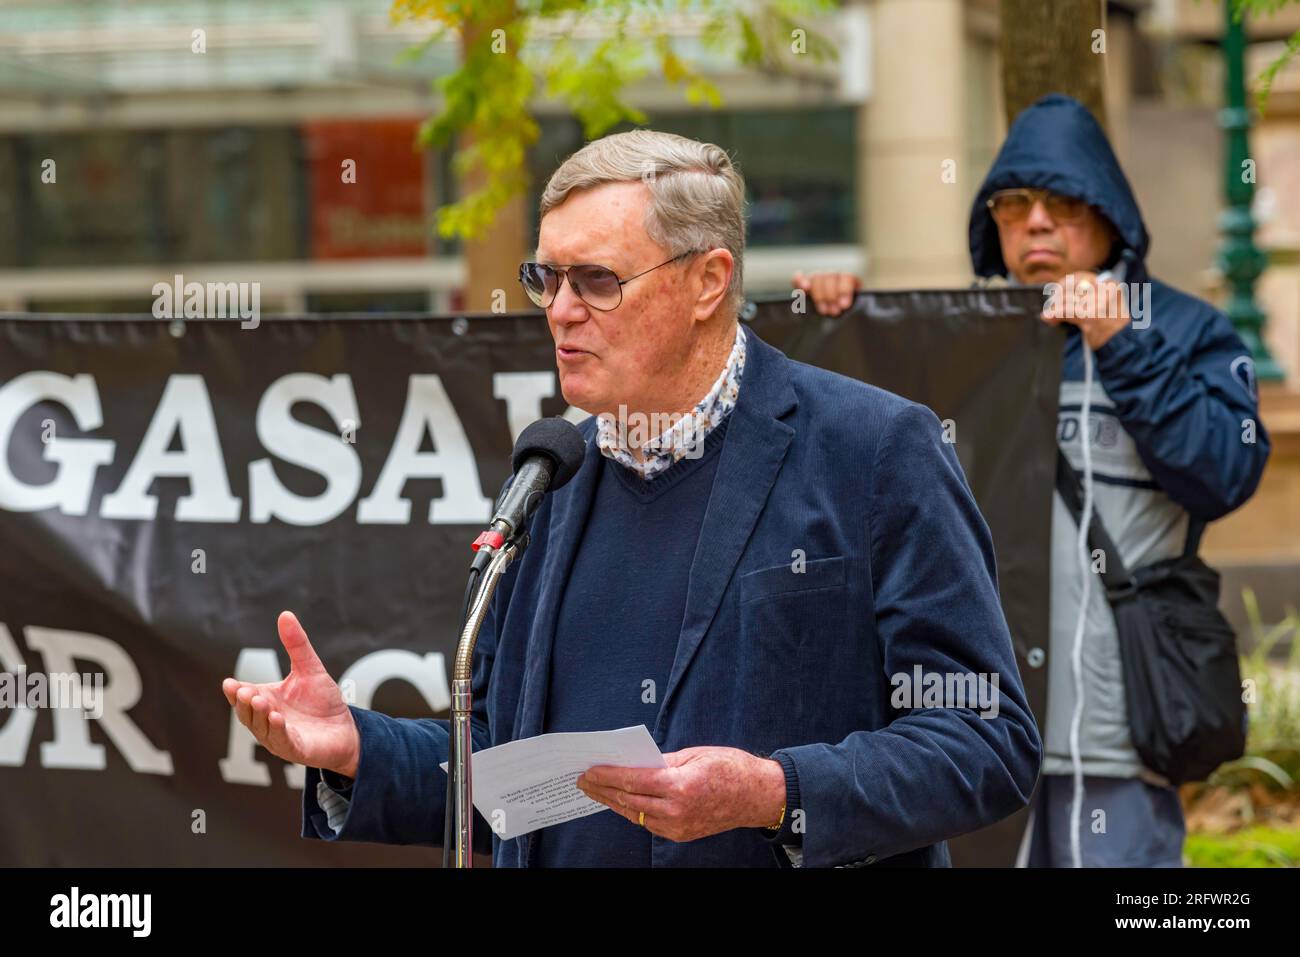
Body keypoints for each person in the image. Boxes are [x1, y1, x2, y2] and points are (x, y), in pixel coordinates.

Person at [223, 129, 1041, 868]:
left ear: (707, 282)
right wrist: (356, 748)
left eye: (597, 280)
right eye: (546, 277)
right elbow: (515, 777)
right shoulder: (549, 475)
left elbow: (985, 740)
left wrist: (775, 790)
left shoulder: (873, 450)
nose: (560, 311)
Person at [793, 94, 1270, 867]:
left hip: (1111, 733)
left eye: (1062, 204)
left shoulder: (1184, 329)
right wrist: (829, 325)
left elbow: (1225, 470)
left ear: (1111, 215)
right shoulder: (953, 337)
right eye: (1014, 206)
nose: (1036, 223)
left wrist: (1124, 344)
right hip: (968, 726)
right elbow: (836, 455)